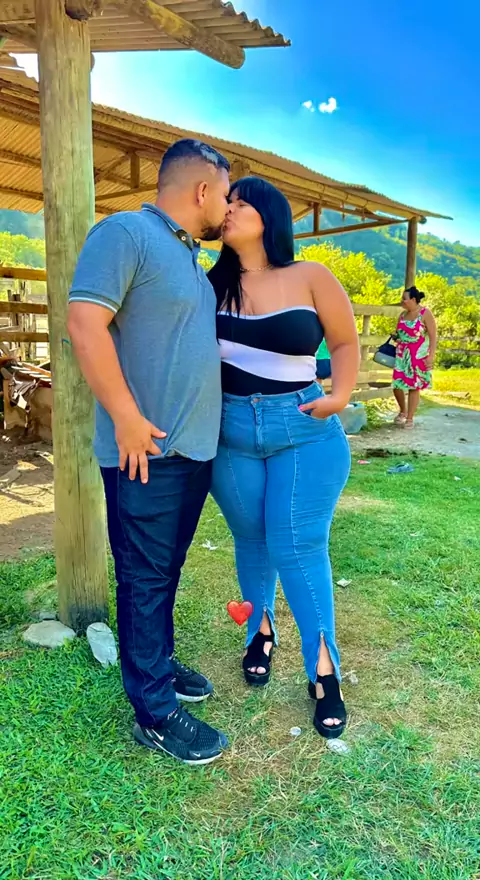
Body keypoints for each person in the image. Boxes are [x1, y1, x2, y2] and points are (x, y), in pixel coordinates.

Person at [67, 139, 231, 766]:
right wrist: (127, 418)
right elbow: (85, 323)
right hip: (144, 453)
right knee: (144, 576)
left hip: (190, 453)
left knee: (165, 570)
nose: (226, 206)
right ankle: (155, 713)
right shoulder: (125, 233)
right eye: (224, 194)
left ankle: (155, 662)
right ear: (202, 190)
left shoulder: (188, 256)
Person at [208, 178, 360, 739]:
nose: (228, 210)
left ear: (269, 215)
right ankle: (260, 632)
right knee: (251, 538)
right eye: (226, 202)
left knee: (296, 545)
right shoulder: (210, 285)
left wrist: (340, 396)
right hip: (229, 432)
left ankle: (324, 671)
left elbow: (344, 343)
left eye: (240, 202)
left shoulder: (310, 275)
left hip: (303, 428)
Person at [392, 286, 437, 428]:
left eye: (404, 299)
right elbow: (400, 333)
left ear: (413, 299)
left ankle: (410, 418)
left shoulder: (425, 313)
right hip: (402, 354)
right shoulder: (402, 315)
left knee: (414, 386)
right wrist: (397, 337)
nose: (402, 301)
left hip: (418, 354)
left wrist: (431, 356)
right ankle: (403, 411)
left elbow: (433, 336)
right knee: (397, 385)